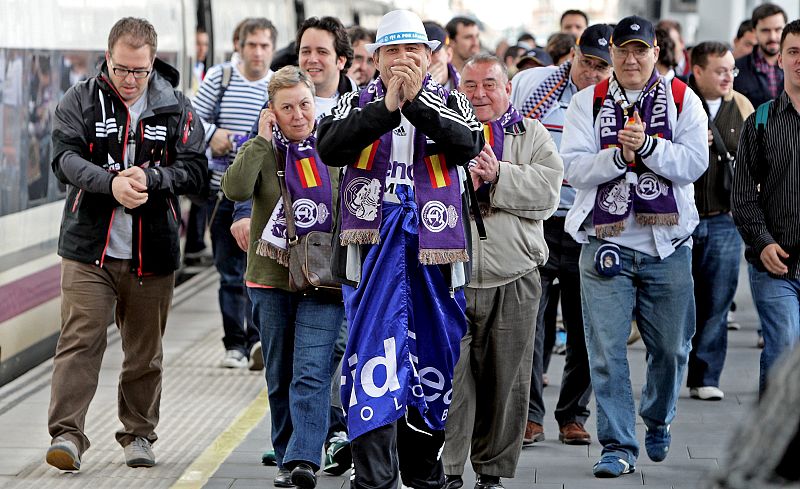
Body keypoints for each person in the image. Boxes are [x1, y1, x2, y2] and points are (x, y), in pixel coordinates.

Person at [317, 10, 483, 489]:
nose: (404, 59)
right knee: (371, 355)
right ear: (376, 58)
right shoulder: (356, 102)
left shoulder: (450, 101)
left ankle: (422, 472)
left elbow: (466, 144)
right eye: (393, 51)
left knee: (433, 356)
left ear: (429, 56)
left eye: (414, 50)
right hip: (371, 251)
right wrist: (386, 108)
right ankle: (374, 479)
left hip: (435, 250)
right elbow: (330, 146)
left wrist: (415, 106)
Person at [46, 16, 207, 471]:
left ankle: (138, 434)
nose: (130, 80)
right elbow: (63, 159)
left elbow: (195, 171)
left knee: (144, 352)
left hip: (152, 251)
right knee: (80, 342)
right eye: (120, 70)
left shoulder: (177, 107)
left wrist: (154, 178)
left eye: (139, 71)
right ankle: (67, 436)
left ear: (153, 62)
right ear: (108, 58)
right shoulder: (79, 99)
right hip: (87, 249)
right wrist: (110, 183)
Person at [560, 15, 707, 478]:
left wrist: (646, 148)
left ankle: (658, 417)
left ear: (655, 54)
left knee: (672, 349)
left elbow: (693, 164)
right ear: (612, 55)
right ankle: (618, 445)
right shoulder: (588, 102)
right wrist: (618, 157)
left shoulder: (684, 99)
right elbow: (576, 170)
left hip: (668, 248)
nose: (629, 58)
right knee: (605, 352)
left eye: (639, 50)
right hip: (604, 247)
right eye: (621, 50)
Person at [442, 54, 562, 489]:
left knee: (507, 381)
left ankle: (491, 473)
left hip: (516, 277)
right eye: (470, 85)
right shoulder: (441, 133)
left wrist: (500, 176)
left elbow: (548, 195)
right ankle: (449, 469)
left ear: (508, 89)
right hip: (451, 278)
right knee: (452, 382)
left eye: (489, 84)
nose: (479, 93)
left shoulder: (531, 135)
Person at [222, 65, 343, 489]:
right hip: (270, 279)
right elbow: (234, 190)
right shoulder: (261, 150)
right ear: (271, 111)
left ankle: (304, 459)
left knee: (310, 369)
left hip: (323, 278)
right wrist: (259, 139)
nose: (298, 115)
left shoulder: (333, 145)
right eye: (286, 107)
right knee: (279, 371)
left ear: (316, 103)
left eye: (305, 104)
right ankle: (286, 450)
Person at [511, 23, 613, 448]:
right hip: (537, 222)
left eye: (602, 68)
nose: (593, 73)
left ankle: (573, 414)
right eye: (587, 62)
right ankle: (529, 417)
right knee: (529, 325)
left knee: (585, 326)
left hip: (587, 225)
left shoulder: (614, 104)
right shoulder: (534, 85)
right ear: (573, 53)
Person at [193, 17, 276, 369]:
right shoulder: (220, 78)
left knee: (258, 273)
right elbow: (192, 119)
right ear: (238, 47)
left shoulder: (277, 85)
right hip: (221, 195)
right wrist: (213, 135)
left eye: (264, 46)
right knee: (228, 272)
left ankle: (257, 341)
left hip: (262, 200)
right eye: (251, 45)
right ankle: (234, 345)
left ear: (272, 49)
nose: (257, 52)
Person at [732, 19, 800, 396]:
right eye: (793, 52)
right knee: (783, 350)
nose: (799, 60)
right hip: (776, 265)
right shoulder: (760, 121)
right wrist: (762, 242)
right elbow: (742, 196)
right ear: (780, 60)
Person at [686, 42, 753, 401]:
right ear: (697, 71)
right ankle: (669, 369)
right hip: (680, 220)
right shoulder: (678, 102)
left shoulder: (741, 106)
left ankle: (706, 376)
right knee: (678, 301)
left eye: (732, 70)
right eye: (720, 70)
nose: (728, 76)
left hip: (725, 219)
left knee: (717, 301)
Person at [735, 3, 787, 108]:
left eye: (778, 30)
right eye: (765, 30)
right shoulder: (736, 69)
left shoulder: (796, 65)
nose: (772, 36)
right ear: (754, 31)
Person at [425, 20, 461, 90]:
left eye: (433, 53)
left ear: (448, 54)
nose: (427, 60)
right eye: (423, 54)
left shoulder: (465, 87)